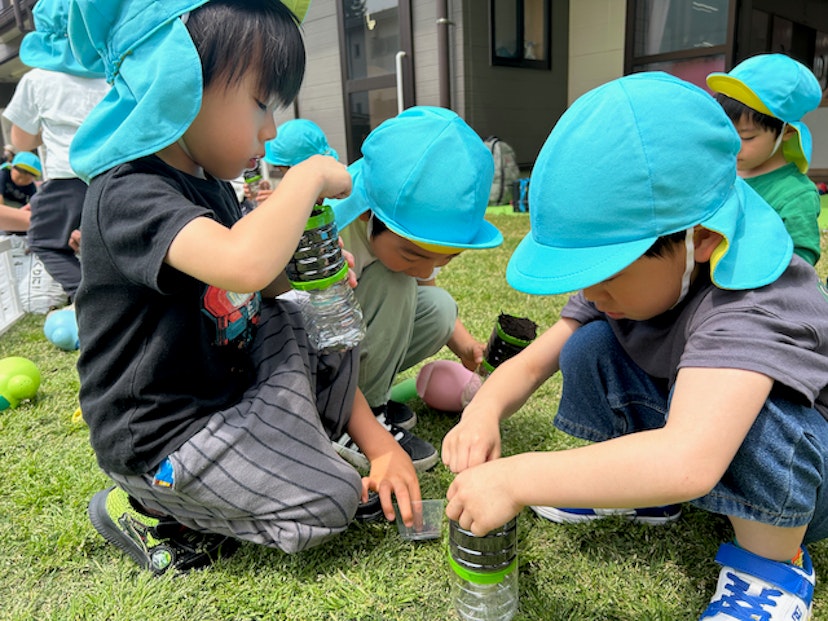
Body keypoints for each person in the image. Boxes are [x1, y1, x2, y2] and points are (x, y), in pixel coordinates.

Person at [442, 72, 828, 620]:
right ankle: (645, 493)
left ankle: (774, 566)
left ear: (704, 240)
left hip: (804, 474)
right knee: (589, 343)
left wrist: (515, 476)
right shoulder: (628, 286)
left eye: (608, 273)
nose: (592, 292)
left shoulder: (752, 300)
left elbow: (690, 458)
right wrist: (483, 411)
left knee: (760, 415)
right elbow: (535, 362)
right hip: (699, 432)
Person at [62, 0, 420, 575]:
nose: (270, 129)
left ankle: (299, 447)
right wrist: (303, 177)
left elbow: (258, 287)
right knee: (332, 502)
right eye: (260, 102)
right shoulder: (127, 195)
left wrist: (382, 445)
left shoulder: (215, 188)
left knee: (312, 314)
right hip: (164, 436)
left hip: (227, 391)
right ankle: (149, 506)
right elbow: (241, 265)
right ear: (176, 81)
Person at [329, 106, 503, 472]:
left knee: (438, 307)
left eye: (444, 259)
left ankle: (369, 398)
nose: (425, 269)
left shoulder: (404, 243)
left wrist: (468, 347)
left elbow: (422, 289)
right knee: (393, 279)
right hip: (315, 357)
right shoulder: (332, 230)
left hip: (353, 340)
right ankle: (347, 416)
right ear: (367, 214)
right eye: (413, 253)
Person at [2, 0, 110, 302]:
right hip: (119, 176)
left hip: (68, 179)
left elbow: (22, 143)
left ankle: (87, 301)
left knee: (44, 240)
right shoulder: (110, 77)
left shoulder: (36, 80)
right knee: (110, 244)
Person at [707, 53, 823, 266]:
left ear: (787, 132)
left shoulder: (795, 195)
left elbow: (800, 263)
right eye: (727, 133)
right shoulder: (723, 173)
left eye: (747, 136)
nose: (733, 145)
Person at [243, 118, 338, 207]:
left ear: (297, 168)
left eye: (281, 169)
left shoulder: (336, 203)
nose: (284, 176)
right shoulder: (337, 185)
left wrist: (280, 206)